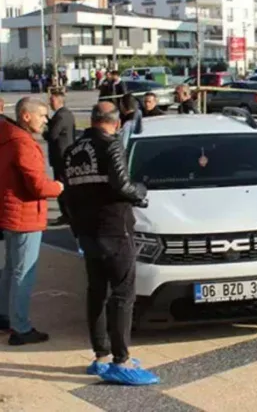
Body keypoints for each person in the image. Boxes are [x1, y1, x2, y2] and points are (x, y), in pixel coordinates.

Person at [63, 102, 159, 386]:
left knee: (97, 293)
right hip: (114, 229)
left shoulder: (73, 151)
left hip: (88, 232)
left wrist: (77, 226)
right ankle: (122, 360)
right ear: (116, 123)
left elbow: (66, 194)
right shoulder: (111, 145)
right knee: (122, 294)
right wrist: (140, 193)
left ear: (92, 120)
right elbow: (122, 185)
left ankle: (101, 356)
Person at [0, 97, 63, 345]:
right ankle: (21, 327)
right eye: (42, 115)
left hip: (11, 212)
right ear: (26, 116)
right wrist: (57, 187)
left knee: (11, 270)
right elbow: (37, 186)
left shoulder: (7, 138)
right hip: (25, 215)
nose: (45, 121)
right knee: (23, 273)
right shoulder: (23, 143)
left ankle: (5, 315)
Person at [43, 91, 76, 225]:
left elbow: (52, 135)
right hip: (63, 155)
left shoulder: (61, 116)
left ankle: (67, 214)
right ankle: (66, 214)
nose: (50, 103)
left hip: (61, 156)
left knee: (61, 185)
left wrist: (44, 130)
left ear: (59, 101)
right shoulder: (65, 114)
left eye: (52, 100)